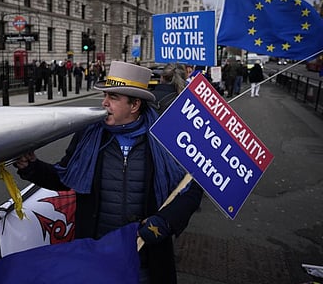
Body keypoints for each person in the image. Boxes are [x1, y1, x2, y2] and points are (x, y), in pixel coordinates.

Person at [15, 61, 203, 283]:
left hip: (145, 256)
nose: (104, 103)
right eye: (105, 96)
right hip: (97, 254)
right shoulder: (89, 135)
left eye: (113, 97)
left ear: (134, 105)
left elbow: (192, 188)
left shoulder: (167, 137)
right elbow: (66, 177)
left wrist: (166, 220)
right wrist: (32, 168)